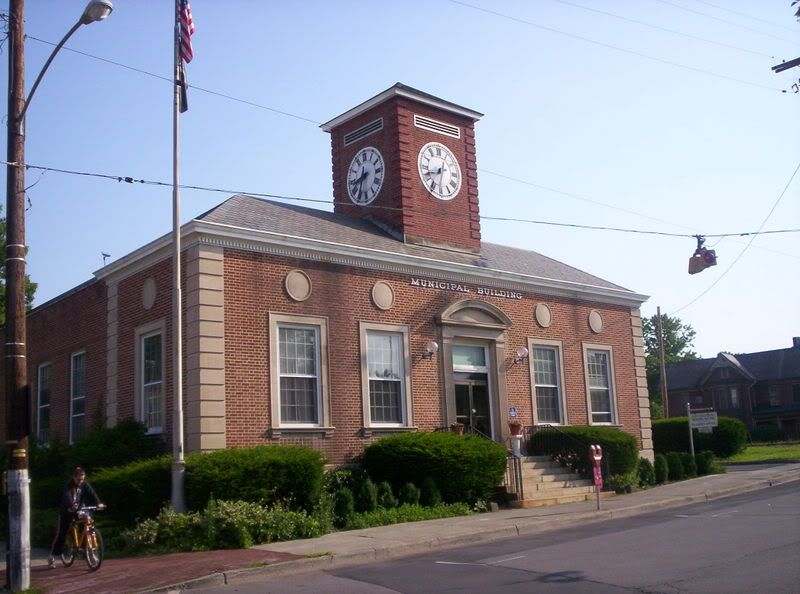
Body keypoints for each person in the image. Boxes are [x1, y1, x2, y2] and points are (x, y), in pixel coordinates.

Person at [48, 466, 105, 568]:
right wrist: (71, 505)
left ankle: (90, 552)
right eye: (79, 479)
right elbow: (67, 497)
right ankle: (52, 556)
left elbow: (92, 494)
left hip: (79, 510)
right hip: (67, 511)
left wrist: (98, 503)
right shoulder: (68, 486)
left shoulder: (84, 485)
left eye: (82, 479)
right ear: (74, 477)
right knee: (62, 534)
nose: (81, 481)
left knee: (88, 520)